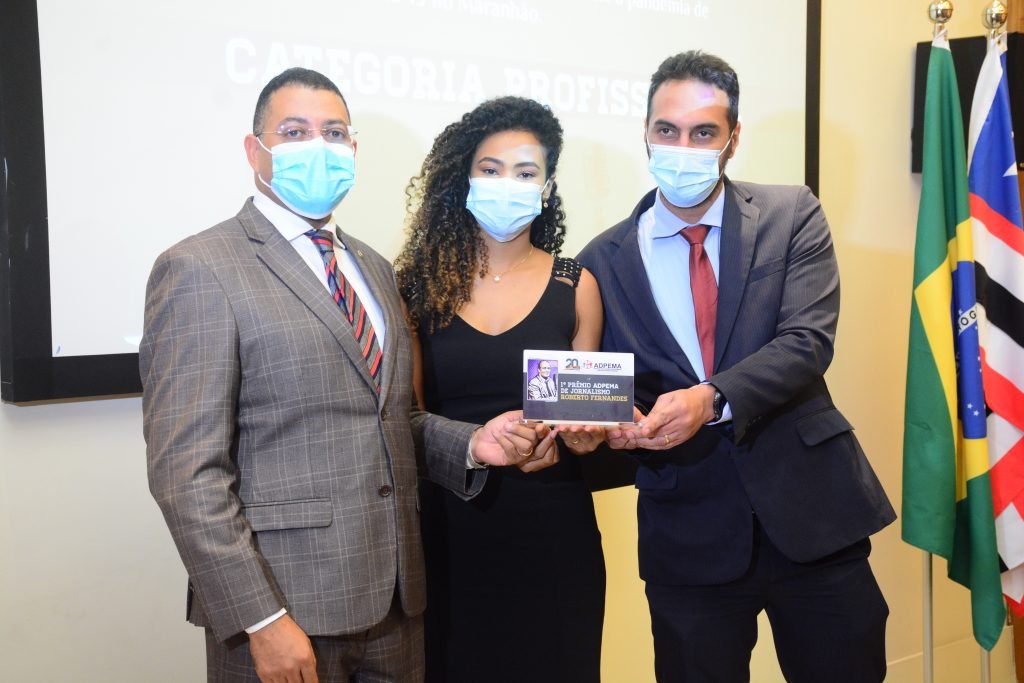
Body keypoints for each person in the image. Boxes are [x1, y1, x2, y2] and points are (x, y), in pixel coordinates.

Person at [140, 68, 558, 683]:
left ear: (353, 150)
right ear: (254, 150)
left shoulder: (373, 268)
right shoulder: (199, 267)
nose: (319, 148)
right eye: (295, 132)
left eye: (334, 133)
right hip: (285, 609)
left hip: (396, 603)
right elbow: (185, 474)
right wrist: (261, 619)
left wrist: (473, 444)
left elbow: (390, 420)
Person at [578, 51, 896, 682]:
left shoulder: (791, 213)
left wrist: (710, 398)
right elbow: (611, 390)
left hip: (812, 514)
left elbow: (807, 341)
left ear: (733, 138)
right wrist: (617, 425)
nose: (682, 148)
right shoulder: (600, 260)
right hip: (687, 533)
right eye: (667, 130)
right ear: (645, 132)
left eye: (703, 132)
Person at [394, 96, 606, 683]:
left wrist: (584, 438)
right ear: (463, 177)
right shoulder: (413, 287)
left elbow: (582, 414)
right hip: (448, 532)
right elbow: (404, 421)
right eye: (490, 169)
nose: (507, 183)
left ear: (547, 186)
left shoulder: (576, 284)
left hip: (555, 529)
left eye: (525, 172)